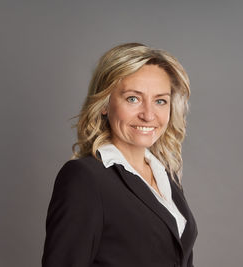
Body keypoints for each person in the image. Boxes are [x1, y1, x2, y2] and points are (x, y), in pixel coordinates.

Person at [42, 43, 197, 267]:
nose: (148, 114)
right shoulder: (85, 179)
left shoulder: (167, 176)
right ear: (105, 103)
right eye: (133, 98)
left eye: (160, 101)